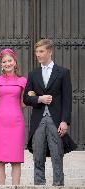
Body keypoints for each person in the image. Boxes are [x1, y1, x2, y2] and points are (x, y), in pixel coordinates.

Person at [23, 39, 77, 186]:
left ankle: (58, 185)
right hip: (38, 120)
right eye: (36, 52)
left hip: (56, 120)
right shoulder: (33, 74)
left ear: (50, 52)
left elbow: (67, 99)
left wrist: (65, 121)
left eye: (41, 51)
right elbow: (26, 99)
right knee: (38, 157)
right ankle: (39, 185)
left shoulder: (63, 72)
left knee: (57, 156)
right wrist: (39, 99)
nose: (38, 55)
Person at [0, 48, 27, 185]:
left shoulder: (23, 81)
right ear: (1, 64)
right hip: (0, 123)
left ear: (15, 62)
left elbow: (23, 103)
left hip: (16, 123)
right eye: (4, 61)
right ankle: (1, 187)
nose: (7, 64)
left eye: (9, 61)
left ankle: (15, 186)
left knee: (16, 159)